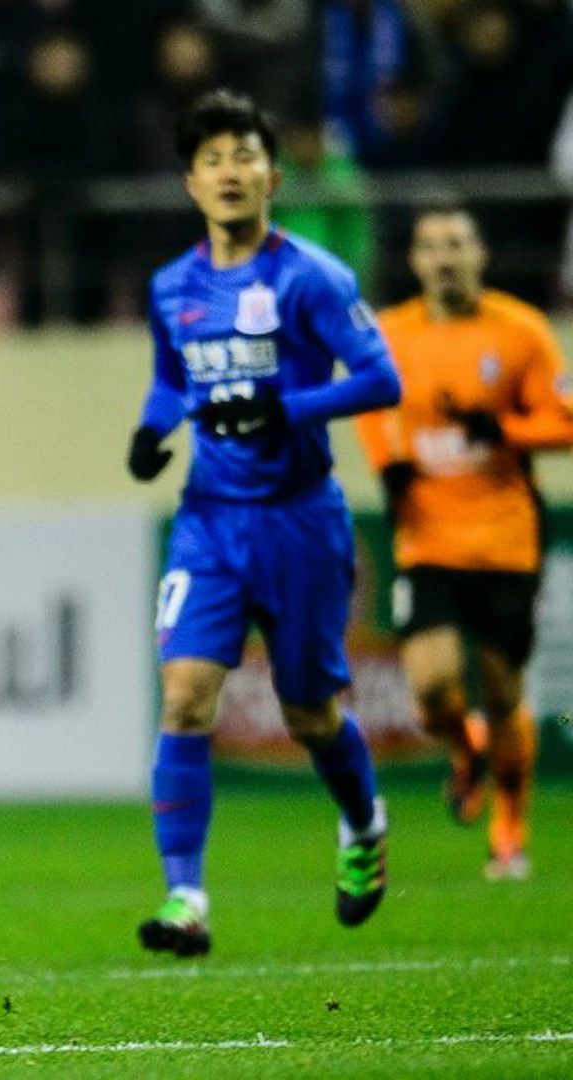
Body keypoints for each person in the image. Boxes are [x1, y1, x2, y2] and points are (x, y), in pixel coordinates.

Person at [127, 90, 402, 959]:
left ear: (274, 175)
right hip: (210, 519)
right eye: (212, 160)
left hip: (299, 521)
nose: (230, 172)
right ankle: (185, 898)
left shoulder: (312, 276)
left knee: (311, 713)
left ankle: (363, 822)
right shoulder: (173, 285)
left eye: (245, 156)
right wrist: (151, 427)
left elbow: (379, 379)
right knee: (184, 698)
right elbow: (174, 375)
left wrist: (282, 405)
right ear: (191, 181)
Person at [356, 202, 573, 882]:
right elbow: (367, 403)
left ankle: (510, 825)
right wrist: (386, 463)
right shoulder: (391, 333)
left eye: (456, 243)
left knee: (506, 690)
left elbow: (565, 423)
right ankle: (463, 742)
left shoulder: (521, 332)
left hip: (507, 539)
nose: (443, 257)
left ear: (479, 255)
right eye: (430, 246)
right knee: (432, 688)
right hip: (429, 540)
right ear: (416, 262)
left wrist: (505, 431)